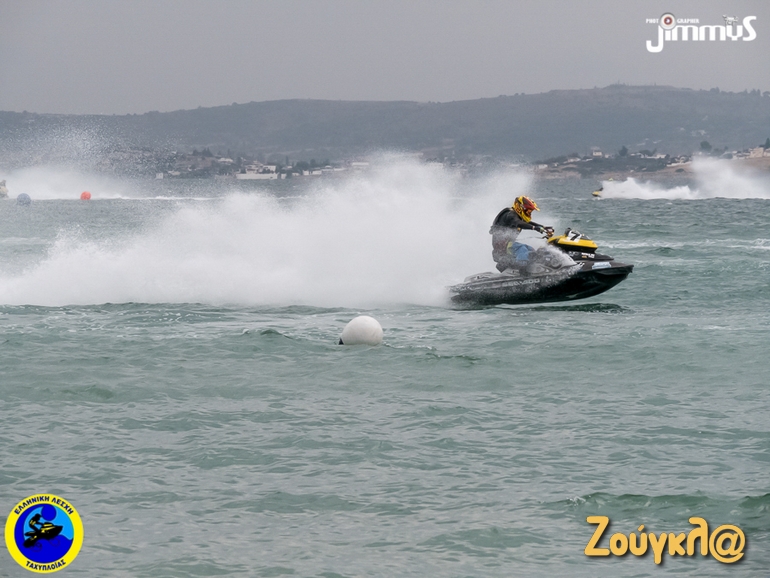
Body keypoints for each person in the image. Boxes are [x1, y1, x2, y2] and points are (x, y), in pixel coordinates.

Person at [490, 196, 553, 272]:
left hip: (509, 246)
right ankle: (522, 269)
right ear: (520, 207)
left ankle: (538, 268)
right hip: (502, 249)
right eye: (528, 211)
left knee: (530, 249)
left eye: (530, 212)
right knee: (522, 248)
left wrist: (543, 227)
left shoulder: (517, 217)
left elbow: (526, 222)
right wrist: (534, 228)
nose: (529, 213)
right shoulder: (510, 215)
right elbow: (518, 223)